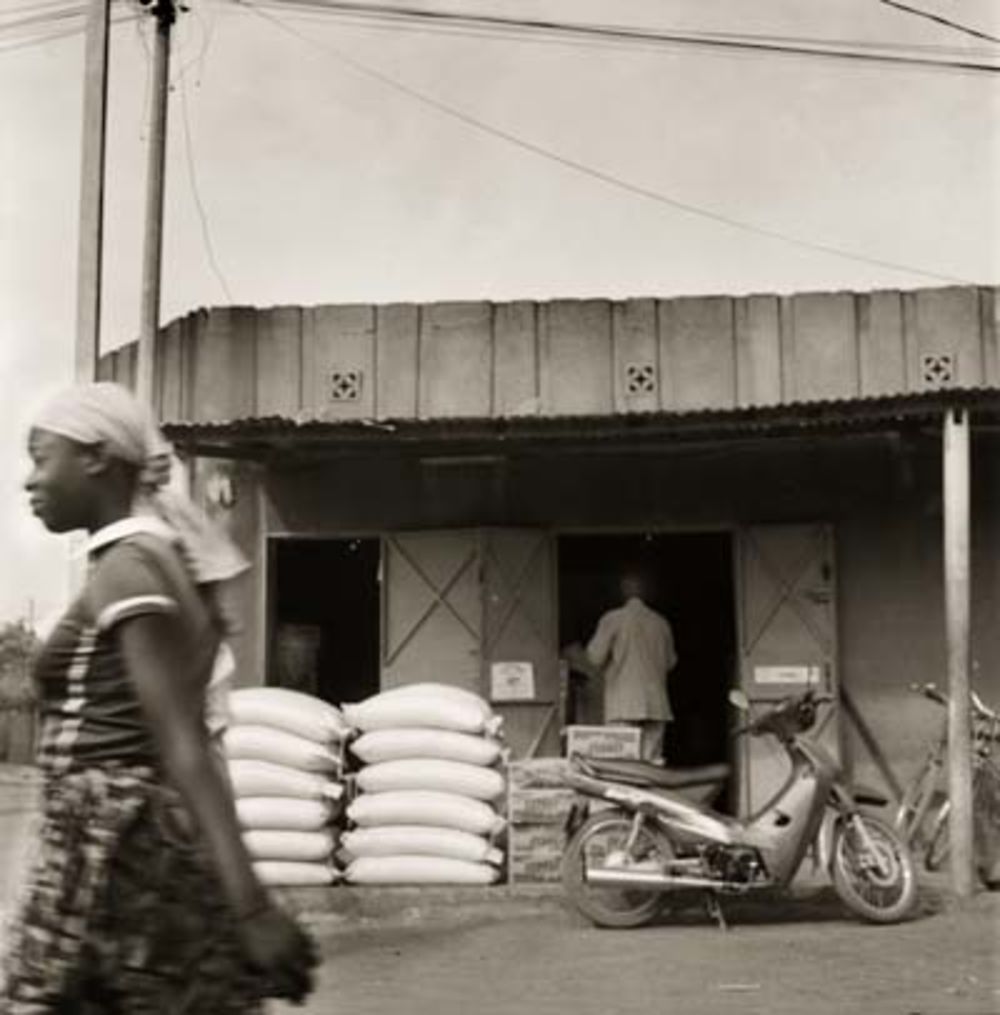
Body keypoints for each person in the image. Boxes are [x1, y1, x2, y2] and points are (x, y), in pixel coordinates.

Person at [1, 382, 317, 1012]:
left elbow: (183, 742)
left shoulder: (130, 568)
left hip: (112, 852)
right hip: (137, 842)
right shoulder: (158, 559)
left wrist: (251, 905)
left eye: (43, 458)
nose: (29, 482)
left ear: (96, 456)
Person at [568, 572, 678, 764]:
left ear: (623, 591)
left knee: (622, 765)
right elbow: (671, 662)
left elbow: (594, 658)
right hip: (656, 704)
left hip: (623, 705)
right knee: (652, 765)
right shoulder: (662, 623)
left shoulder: (613, 619)